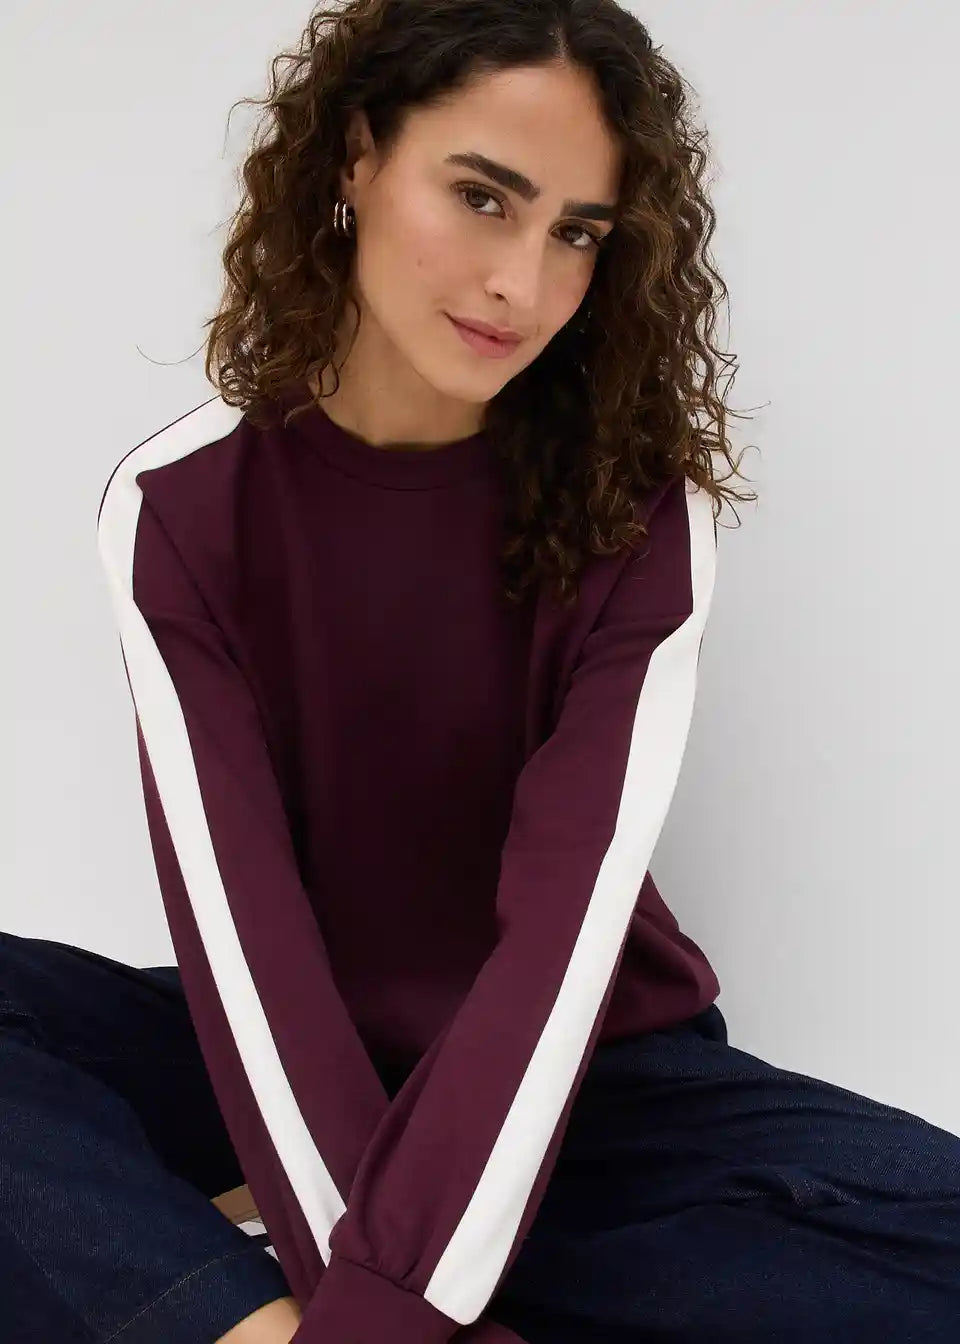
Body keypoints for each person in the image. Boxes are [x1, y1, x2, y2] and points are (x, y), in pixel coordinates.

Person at [4, 1, 960, 1341]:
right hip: (285, 1058)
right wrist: (379, 1307)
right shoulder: (181, 506)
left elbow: (559, 942)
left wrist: (385, 1298)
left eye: (578, 233)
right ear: (355, 158)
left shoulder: (639, 515)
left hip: (584, 1081)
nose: (523, 282)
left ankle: (234, 1265)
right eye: (482, 197)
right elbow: (244, 941)